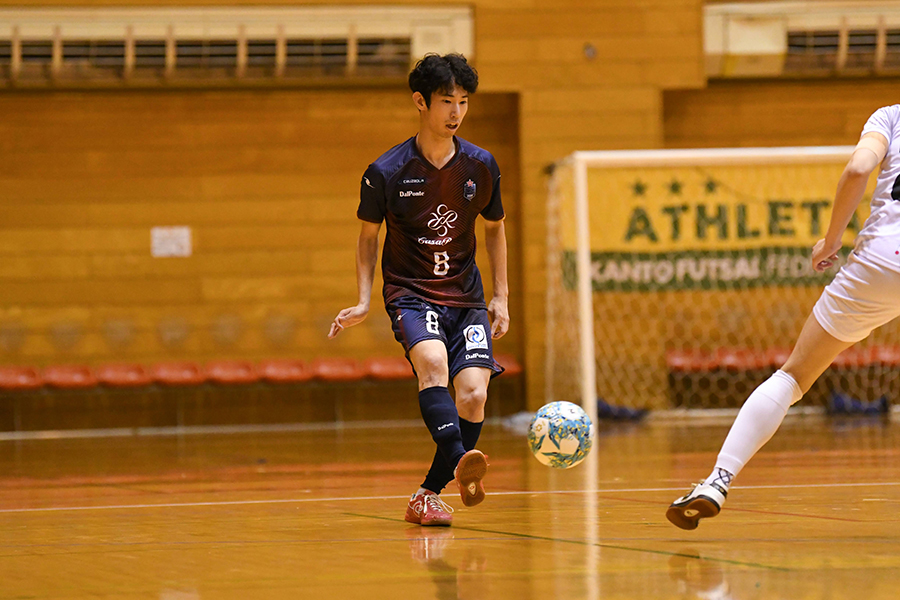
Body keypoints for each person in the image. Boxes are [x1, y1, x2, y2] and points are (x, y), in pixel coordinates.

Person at [667, 105, 899, 530]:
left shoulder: (891, 117)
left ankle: (718, 481)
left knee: (793, 376)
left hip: (881, 261)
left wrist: (830, 241)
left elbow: (857, 170)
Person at [328, 53, 510, 527]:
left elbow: (495, 229)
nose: (456, 112)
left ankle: (428, 494)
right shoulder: (386, 171)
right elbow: (368, 239)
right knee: (431, 364)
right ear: (420, 102)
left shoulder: (481, 165)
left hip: (466, 297)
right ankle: (460, 458)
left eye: (463, 102)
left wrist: (502, 296)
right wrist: (364, 299)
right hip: (411, 293)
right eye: (447, 101)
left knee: (474, 396)